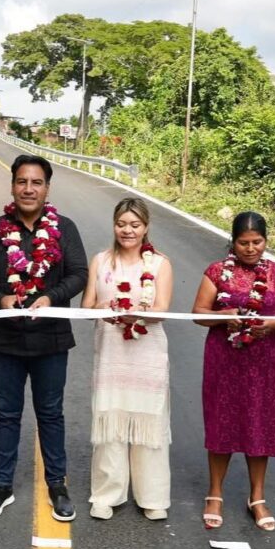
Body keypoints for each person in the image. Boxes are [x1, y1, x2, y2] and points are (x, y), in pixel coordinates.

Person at [0, 154, 88, 521]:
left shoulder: (64, 228)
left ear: (47, 188)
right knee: (6, 414)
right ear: (12, 186)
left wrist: (51, 297)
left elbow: (79, 274)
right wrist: (0, 298)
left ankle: (57, 485)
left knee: (50, 413)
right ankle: (1, 485)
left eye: (36, 182)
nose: (28, 189)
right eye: (22, 181)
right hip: (5, 340)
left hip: (51, 339)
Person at [192, 212, 275, 531]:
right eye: (243, 243)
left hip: (267, 362)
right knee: (221, 422)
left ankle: (257, 497)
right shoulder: (217, 271)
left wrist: (272, 324)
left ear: (266, 241)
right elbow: (198, 313)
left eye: (257, 242)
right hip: (224, 359)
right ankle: (215, 493)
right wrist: (223, 315)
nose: (251, 248)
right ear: (233, 242)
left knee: (260, 424)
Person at [81, 198, 174, 521]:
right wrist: (104, 311)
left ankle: (153, 496)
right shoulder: (101, 261)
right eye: (121, 224)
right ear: (114, 225)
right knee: (110, 422)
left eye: (135, 225)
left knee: (149, 423)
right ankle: (106, 494)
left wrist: (139, 315)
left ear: (146, 227)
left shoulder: (160, 264)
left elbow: (162, 309)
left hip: (148, 355)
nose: (127, 231)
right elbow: (87, 306)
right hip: (111, 354)